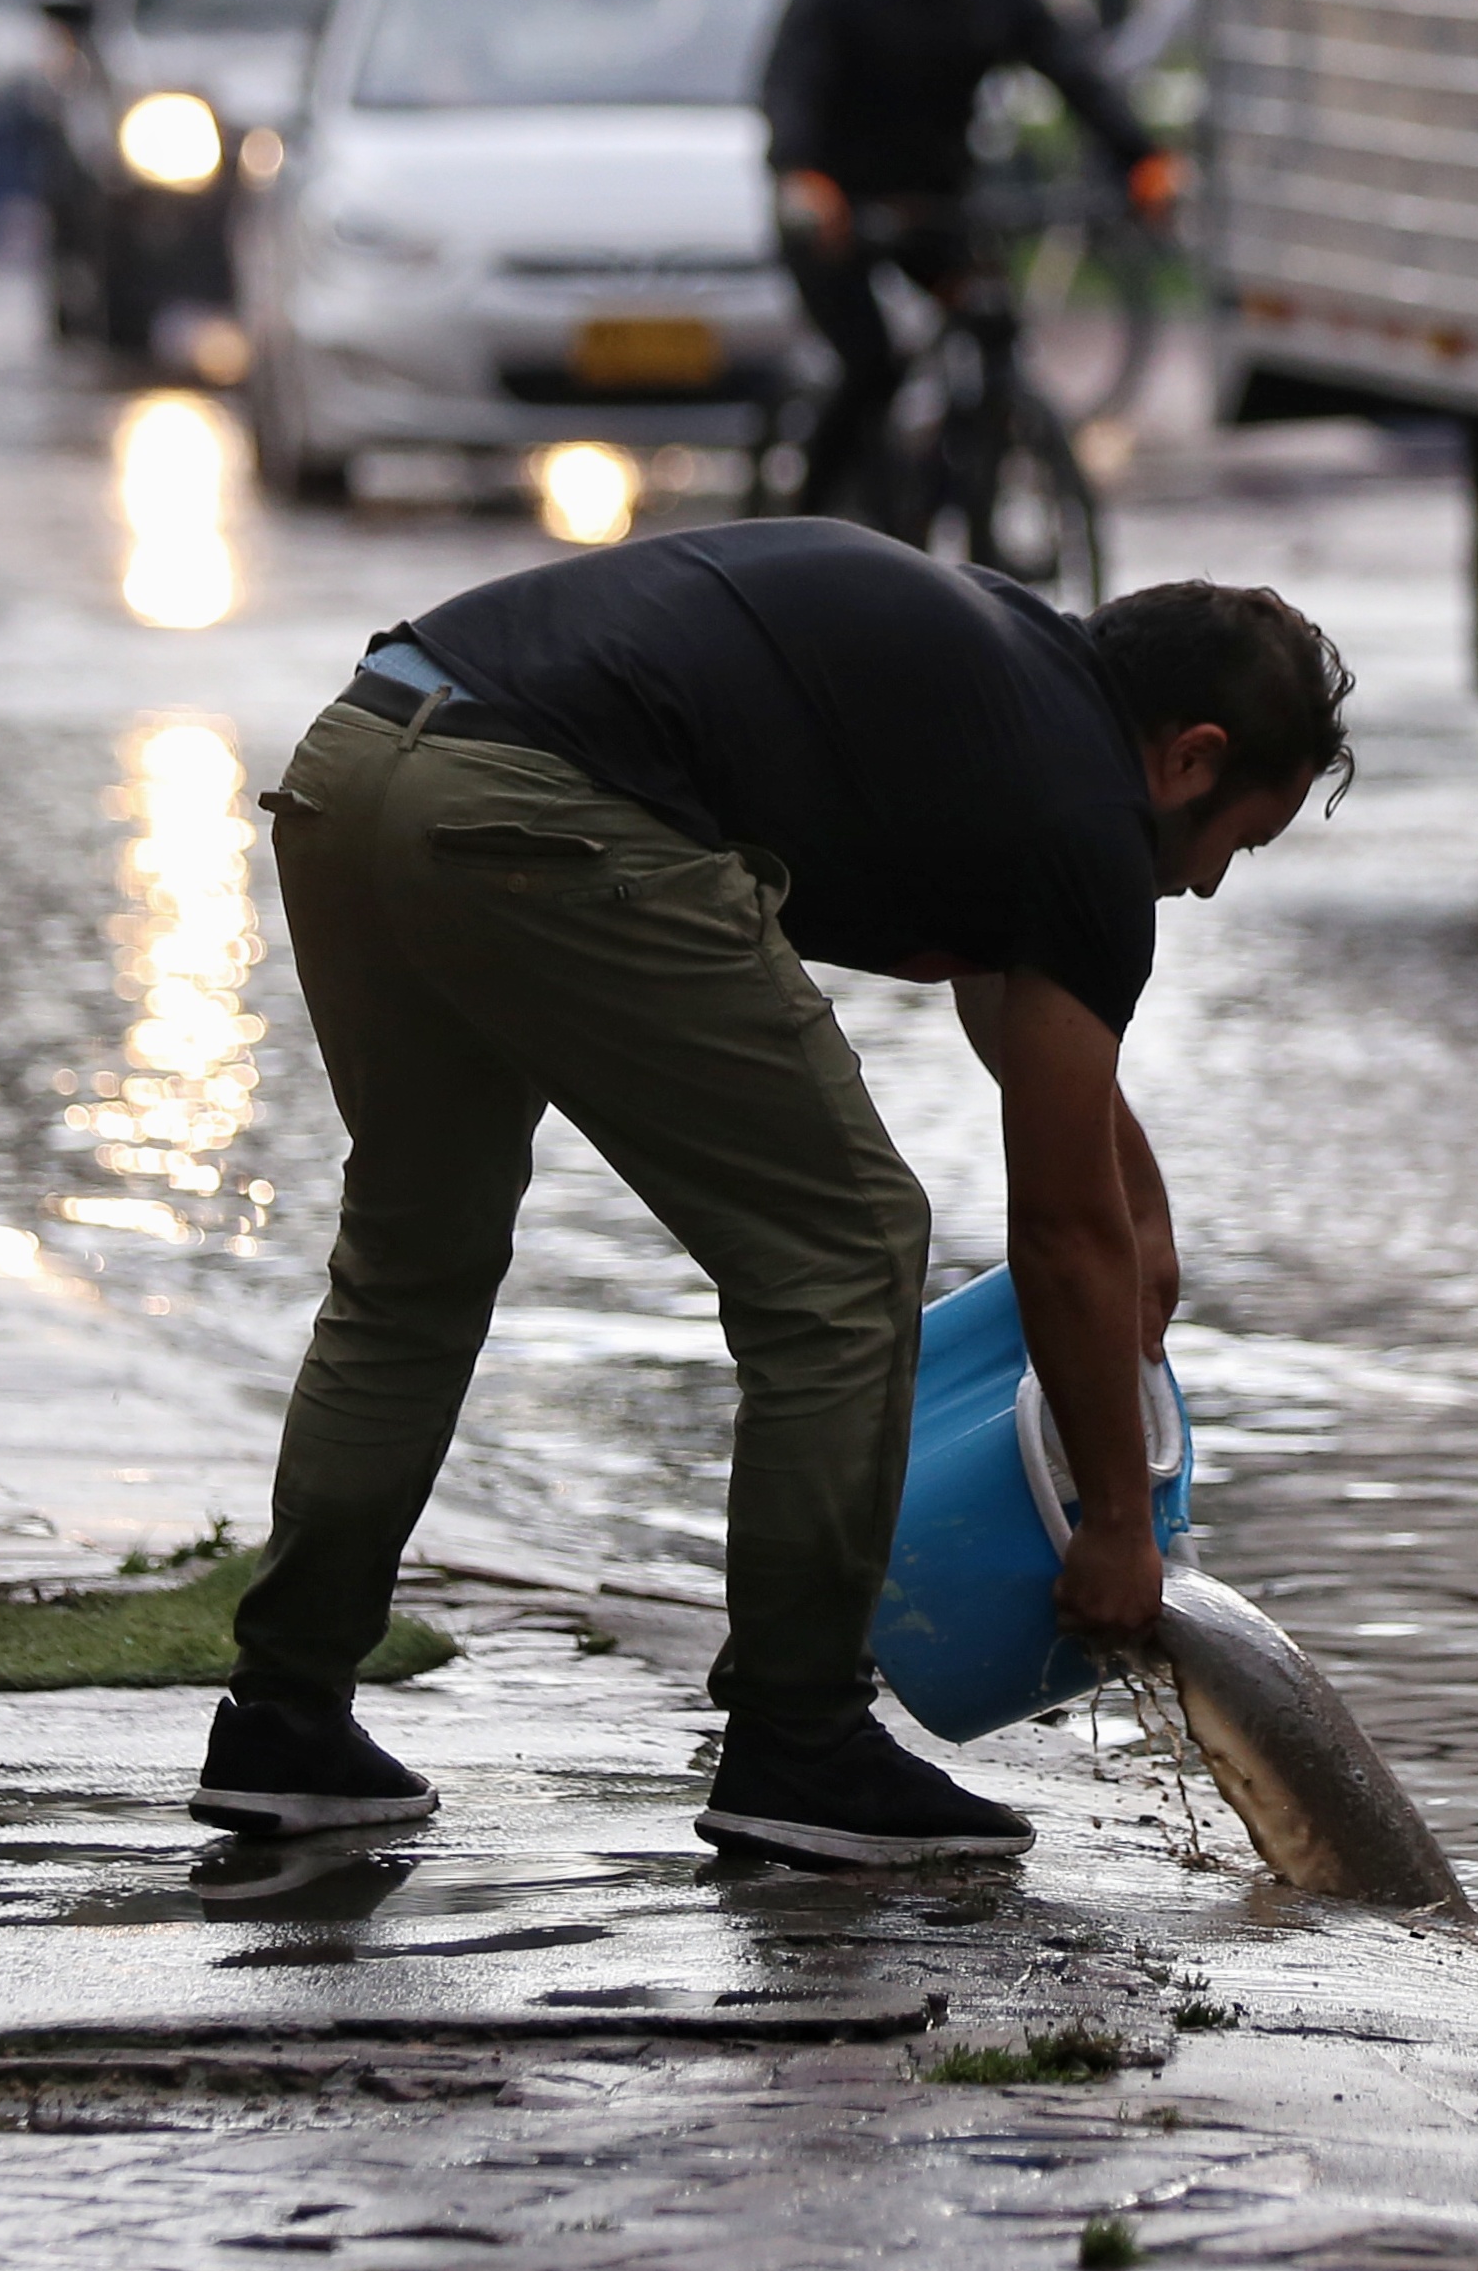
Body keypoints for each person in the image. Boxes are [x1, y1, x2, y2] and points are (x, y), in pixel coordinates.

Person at [190, 525, 1351, 1865]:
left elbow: (1021, 1016)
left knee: (412, 1259)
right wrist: (1110, 1527)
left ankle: (282, 1715)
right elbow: (1061, 1234)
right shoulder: (1086, 814)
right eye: (1232, 844)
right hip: (538, 801)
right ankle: (797, 1740)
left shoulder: (999, 687)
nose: (1201, 880)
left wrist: (1136, 1204)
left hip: (360, 761)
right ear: (1189, 757)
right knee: (847, 1252)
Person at [760, 0, 1181, 523]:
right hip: (840, 216)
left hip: (939, 210)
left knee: (990, 327)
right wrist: (803, 178)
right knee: (871, 365)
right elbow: (790, 91)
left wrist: (1141, 158)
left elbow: (1070, 66)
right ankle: (803, 524)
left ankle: (971, 485)